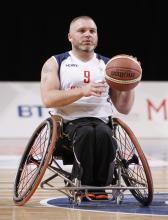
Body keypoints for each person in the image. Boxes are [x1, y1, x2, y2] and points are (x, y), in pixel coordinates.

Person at [40, 15, 135, 200]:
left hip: (102, 121)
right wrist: (83, 91)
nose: (88, 35)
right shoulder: (56, 62)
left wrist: (130, 85)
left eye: (92, 31)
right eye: (82, 31)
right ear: (70, 36)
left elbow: (124, 108)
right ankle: (84, 183)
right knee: (86, 132)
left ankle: (99, 187)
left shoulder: (110, 66)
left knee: (102, 132)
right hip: (68, 125)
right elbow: (48, 99)